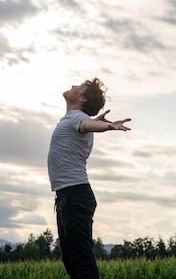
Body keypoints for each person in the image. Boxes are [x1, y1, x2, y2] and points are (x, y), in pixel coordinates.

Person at [47, 78, 131, 279]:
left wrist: (108, 127)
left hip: (74, 195)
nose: (74, 85)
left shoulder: (77, 118)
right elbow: (88, 124)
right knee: (73, 264)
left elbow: (86, 124)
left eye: (80, 87)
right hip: (68, 196)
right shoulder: (72, 119)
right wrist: (98, 123)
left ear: (82, 98)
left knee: (82, 264)